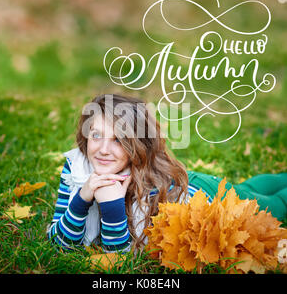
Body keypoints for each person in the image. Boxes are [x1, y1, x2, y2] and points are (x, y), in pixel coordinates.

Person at [47, 94, 287, 255]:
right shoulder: (77, 168)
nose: (103, 150)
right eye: (96, 135)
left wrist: (111, 206)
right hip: (184, 181)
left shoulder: (148, 184)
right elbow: (58, 242)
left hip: (203, 196)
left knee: (274, 203)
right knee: (251, 186)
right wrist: (82, 197)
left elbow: (117, 260)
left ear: (137, 145)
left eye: (118, 140)